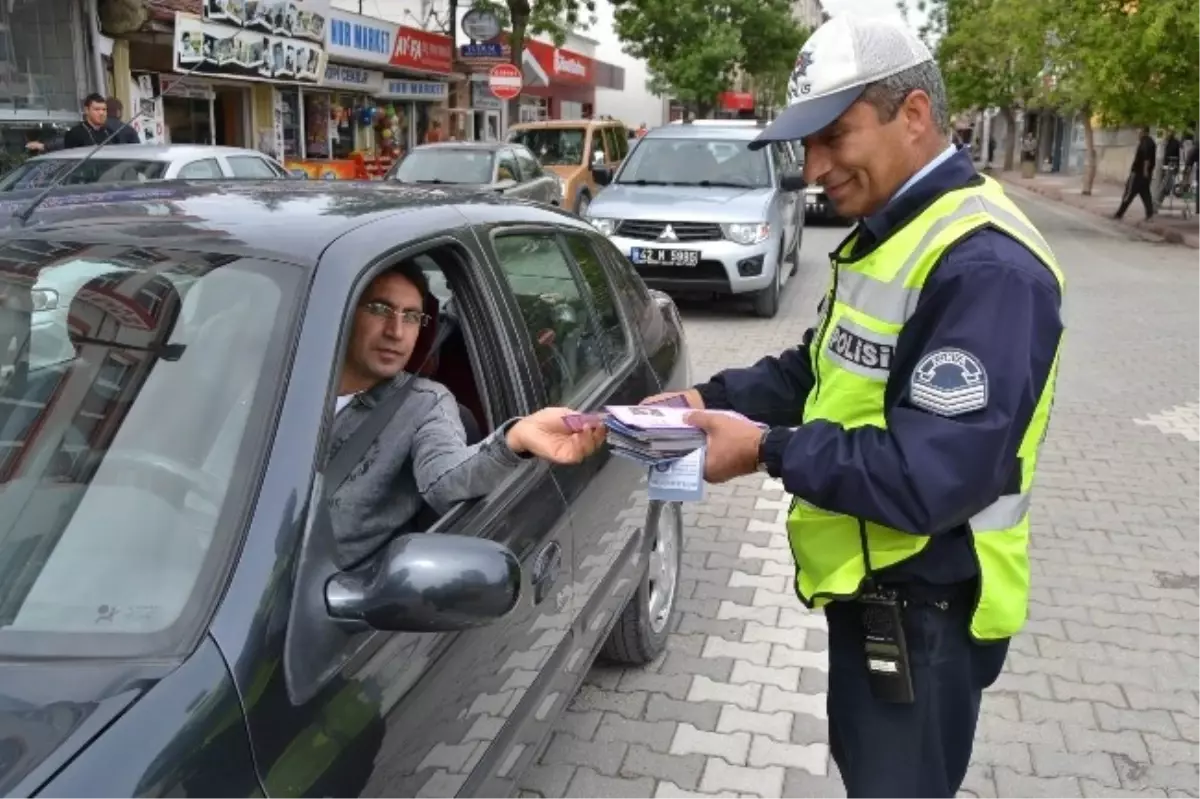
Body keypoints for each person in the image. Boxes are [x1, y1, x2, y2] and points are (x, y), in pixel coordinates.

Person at [642, 16, 1064, 799]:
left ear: (912, 114)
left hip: (926, 611)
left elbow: (929, 477)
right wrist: (705, 399)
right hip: (883, 599)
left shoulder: (985, 268)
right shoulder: (893, 230)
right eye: (806, 144)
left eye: (834, 136)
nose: (812, 167)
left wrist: (764, 449)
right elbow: (822, 368)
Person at [329, 260, 604, 568]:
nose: (396, 332)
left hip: (330, 593)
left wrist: (515, 439)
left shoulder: (426, 403)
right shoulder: (280, 384)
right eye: (380, 310)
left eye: (411, 317)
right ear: (347, 314)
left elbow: (446, 482)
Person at [1115, 125, 1156, 220]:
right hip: (1146, 174)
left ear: (1144, 132)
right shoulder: (1151, 142)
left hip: (1138, 173)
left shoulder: (1144, 142)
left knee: (1129, 193)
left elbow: (1146, 158)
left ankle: (1119, 213)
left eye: (1140, 132)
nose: (1138, 134)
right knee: (1145, 194)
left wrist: (1145, 171)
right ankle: (1149, 214)